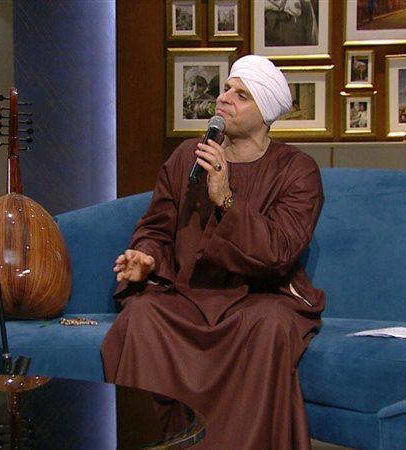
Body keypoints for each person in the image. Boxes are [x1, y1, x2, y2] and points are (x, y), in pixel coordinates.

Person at [101, 54, 326, 449]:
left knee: (270, 326)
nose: (224, 99)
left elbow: (280, 251)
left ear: (266, 113)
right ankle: (166, 442)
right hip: (191, 295)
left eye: (241, 95)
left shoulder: (297, 170)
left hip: (261, 296)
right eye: (226, 89)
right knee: (140, 315)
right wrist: (145, 257)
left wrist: (226, 199)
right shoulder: (188, 156)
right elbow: (156, 226)